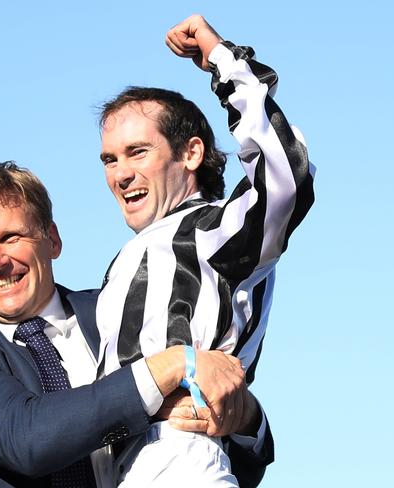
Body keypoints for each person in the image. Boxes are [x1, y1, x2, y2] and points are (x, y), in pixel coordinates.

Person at [0, 160, 274, 487]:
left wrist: (242, 418)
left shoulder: (118, 311)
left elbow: (223, 459)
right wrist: (166, 368)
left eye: (10, 237)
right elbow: (28, 440)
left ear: (52, 240)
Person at [96, 14, 315, 487]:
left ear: (191, 153)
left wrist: (223, 61)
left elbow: (285, 178)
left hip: (181, 461)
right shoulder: (129, 258)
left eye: (138, 152)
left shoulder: (211, 230)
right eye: (110, 159)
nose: (120, 174)